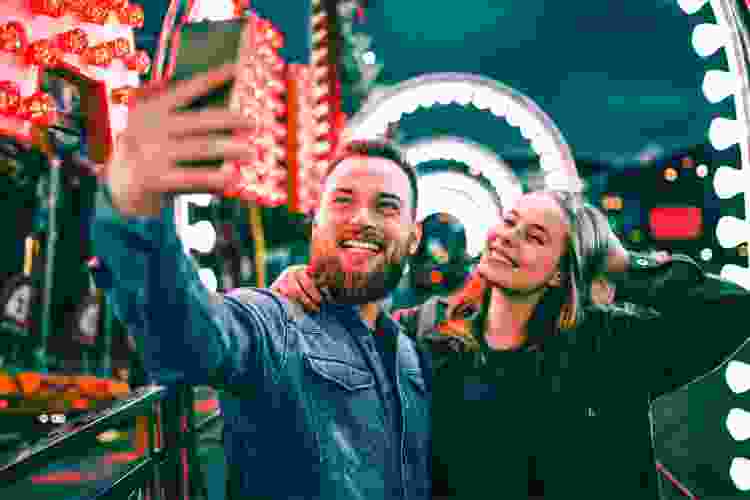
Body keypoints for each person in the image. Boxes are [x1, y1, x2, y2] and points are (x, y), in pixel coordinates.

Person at [90, 64, 430, 500]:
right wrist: (133, 208)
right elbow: (189, 336)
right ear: (315, 221)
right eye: (343, 201)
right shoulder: (274, 323)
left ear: (414, 236)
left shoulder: (413, 355)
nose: (361, 219)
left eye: (386, 207)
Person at [272, 189, 750, 499]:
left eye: (534, 237)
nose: (507, 239)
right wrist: (304, 288)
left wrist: (621, 263)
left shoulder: (609, 347)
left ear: (563, 271)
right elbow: (338, 342)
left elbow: (729, 310)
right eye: (509, 221)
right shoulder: (427, 334)